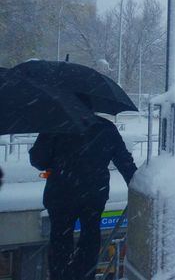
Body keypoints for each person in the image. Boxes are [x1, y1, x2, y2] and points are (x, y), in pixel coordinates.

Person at [29, 115, 137, 280]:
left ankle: (60, 276)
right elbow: (124, 160)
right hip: (93, 194)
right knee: (91, 235)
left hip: (61, 193)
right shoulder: (105, 126)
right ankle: (86, 275)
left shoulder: (56, 124)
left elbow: (39, 160)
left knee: (60, 238)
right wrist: (137, 183)